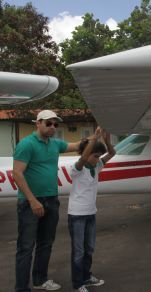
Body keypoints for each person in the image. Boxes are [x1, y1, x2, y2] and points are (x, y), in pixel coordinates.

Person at [13, 110, 81, 292]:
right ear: (38, 123)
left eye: (55, 124)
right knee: (26, 247)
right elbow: (17, 174)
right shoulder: (26, 144)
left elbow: (75, 145)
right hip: (30, 203)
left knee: (46, 243)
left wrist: (95, 138)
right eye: (48, 123)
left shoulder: (55, 144)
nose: (52, 127)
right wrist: (33, 201)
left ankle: (39, 280)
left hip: (51, 200)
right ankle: (21, 288)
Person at [68, 127, 115, 292]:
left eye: (98, 157)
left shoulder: (97, 166)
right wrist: (94, 138)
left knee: (89, 248)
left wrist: (107, 141)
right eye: (95, 156)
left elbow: (112, 153)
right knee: (79, 251)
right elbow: (82, 158)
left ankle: (86, 277)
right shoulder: (77, 169)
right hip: (77, 216)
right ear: (87, 154)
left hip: (90, 214)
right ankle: (78, 284)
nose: (98, 159)